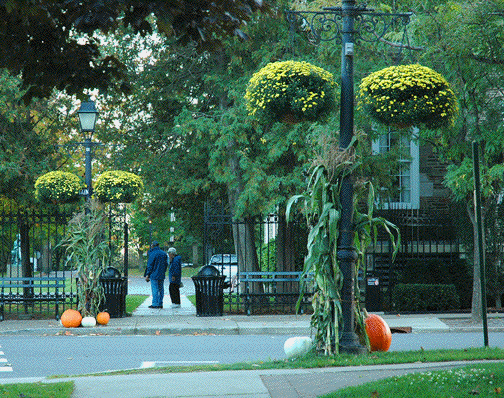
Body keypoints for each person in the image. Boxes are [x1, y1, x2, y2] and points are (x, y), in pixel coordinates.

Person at [144, 241, 168, 308]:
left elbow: (150, 265)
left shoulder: (152, 254)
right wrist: (164, 271)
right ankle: (160, 303)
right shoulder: (164, 253)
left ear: (153, 245)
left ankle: (155, 303)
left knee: (155, 289)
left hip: (154, 274)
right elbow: (166, 264)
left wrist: (147, 274)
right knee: (161, 289)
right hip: (161, 274)